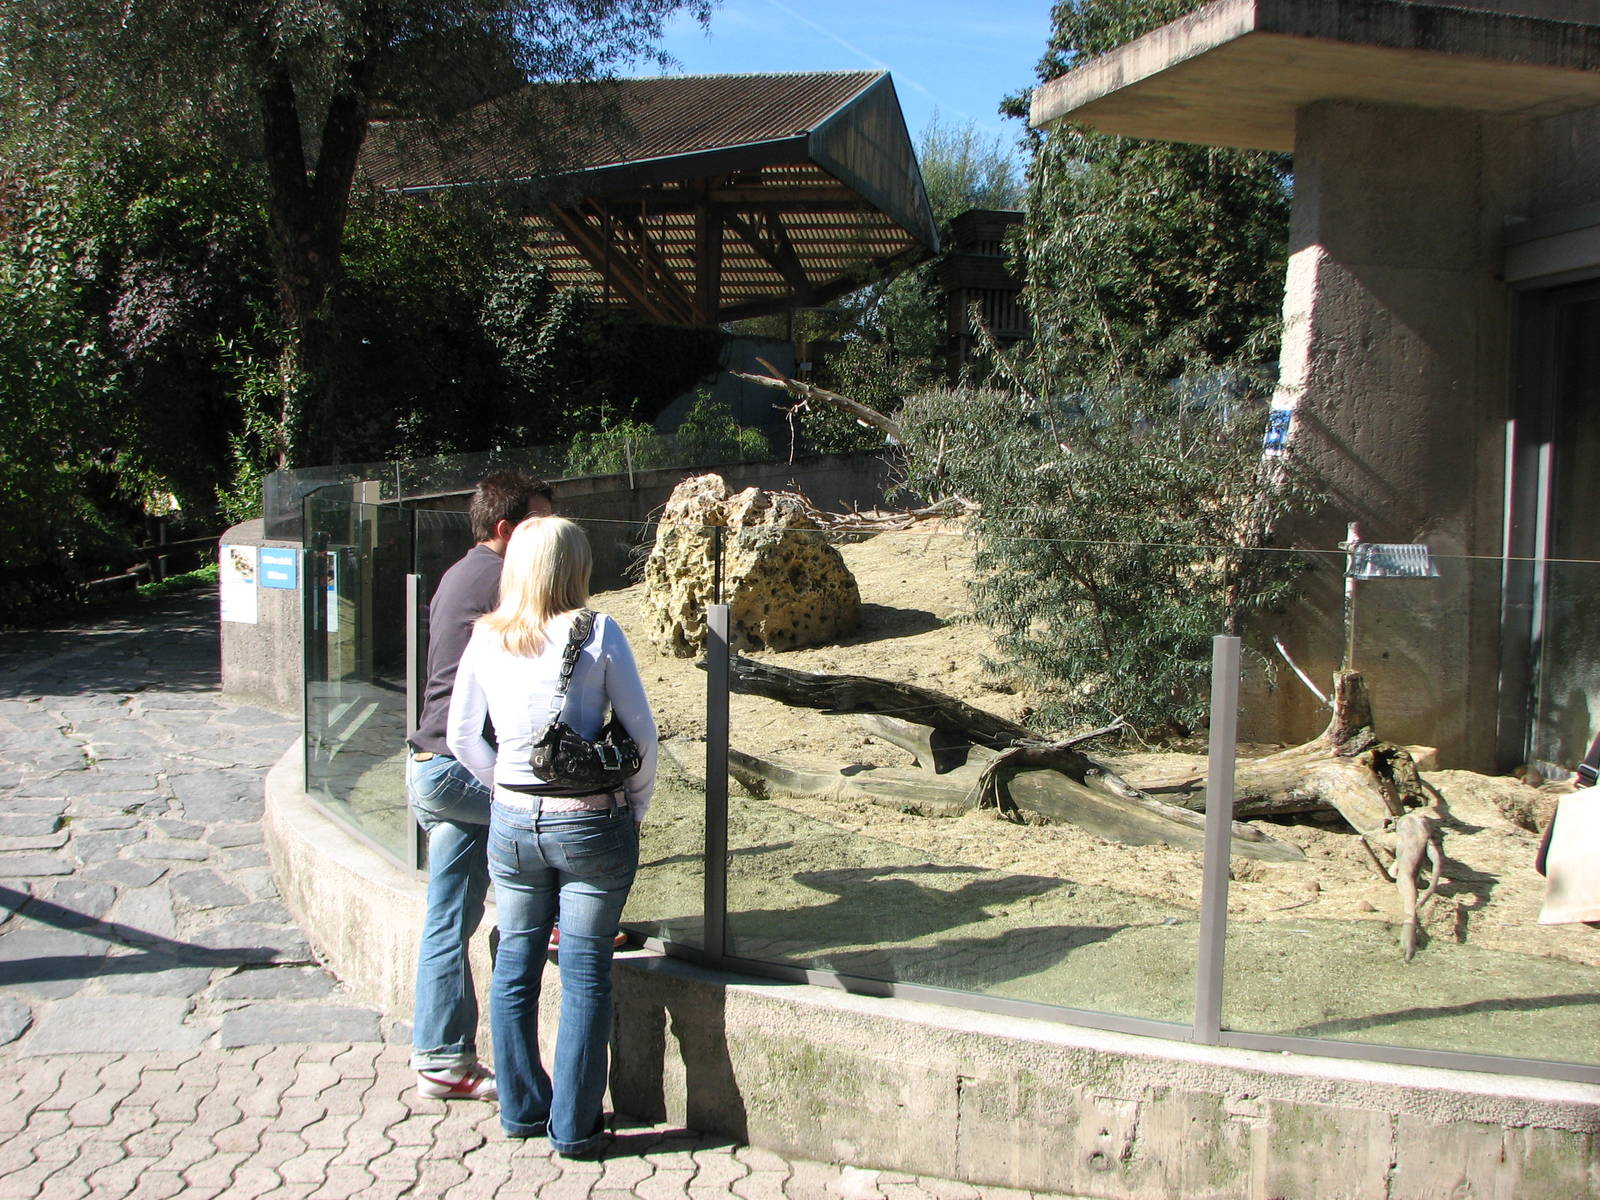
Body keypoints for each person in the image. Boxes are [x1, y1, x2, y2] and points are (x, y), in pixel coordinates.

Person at [446, 516, 656, 1156]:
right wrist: (634, 807)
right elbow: (642, 736)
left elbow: (460, 737)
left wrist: (505, 790)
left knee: (514, 963)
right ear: (575, 567)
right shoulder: (597, 631)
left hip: (512, 823)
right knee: (587, 971)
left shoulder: (485, 637)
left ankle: (520, 1109)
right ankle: (575, 1127)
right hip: (592, 819)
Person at [406, 471, 553, 1101]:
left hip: (430, 765)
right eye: (537, 525)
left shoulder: (458, 572)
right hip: (461, 766)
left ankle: (442, 1058)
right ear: (505, 530)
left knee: (448, 916)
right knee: (554, 823)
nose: (547, 538)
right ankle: (553, 924)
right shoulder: (503, 581)